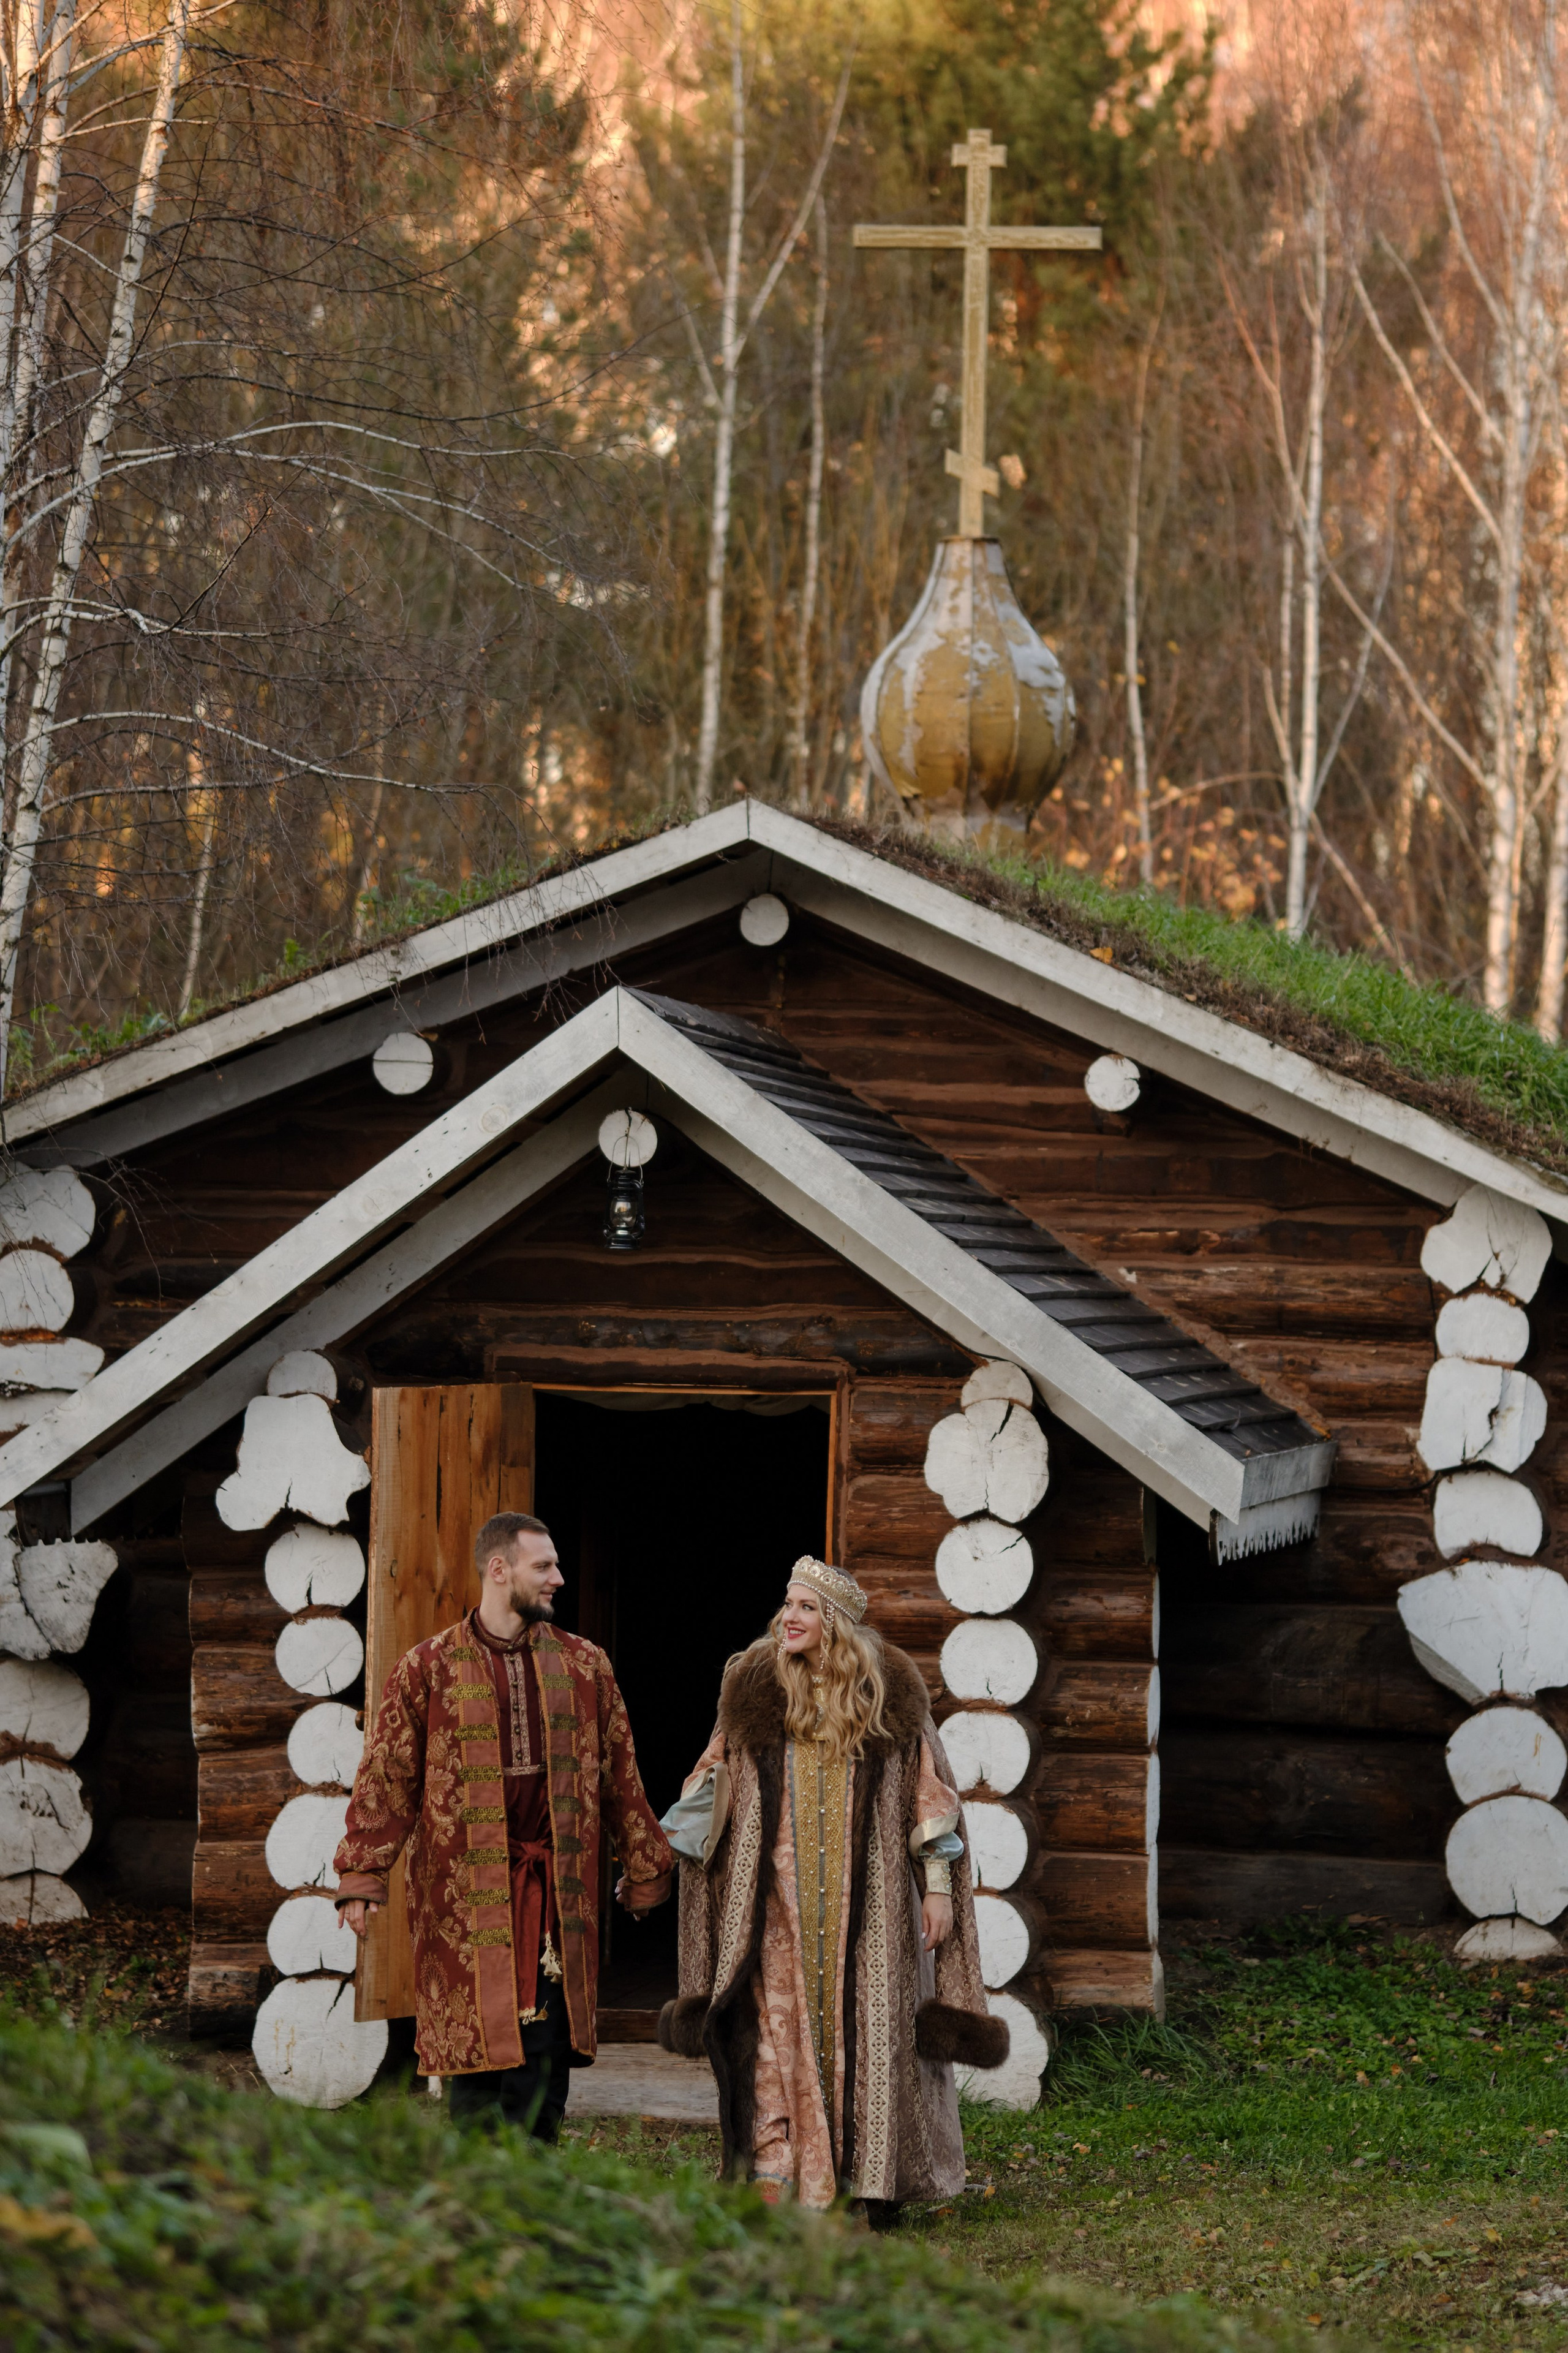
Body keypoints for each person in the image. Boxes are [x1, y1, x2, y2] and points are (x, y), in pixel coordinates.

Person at [658, 1556, 1005, 2216]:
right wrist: (667, 1847)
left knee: (866, 2032)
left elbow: (930, 1800)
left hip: (867, 1906)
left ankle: (862, 2178)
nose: (790, 1617)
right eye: (787, 1604)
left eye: (806, 1608)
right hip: (770, 1904)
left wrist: (936, 1887)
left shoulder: (888, 1697)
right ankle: (775, 2166)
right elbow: (711, 1781)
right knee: (773, 2030)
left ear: (836, 1623)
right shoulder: (753, 1687)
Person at [334, 1510, 673, 2137]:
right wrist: (362, 1870)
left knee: (543, 2065)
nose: (558, 1579)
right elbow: (388, 1777)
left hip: (555, 1899)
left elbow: (619, 1774)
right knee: (475, 2072)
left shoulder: (585, 1665)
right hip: (462, 1903)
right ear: (499, 1569)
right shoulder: (426, 1668)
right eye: (543, 1566)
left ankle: (534, 2194)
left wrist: (646, 1869)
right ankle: (477, 2206)